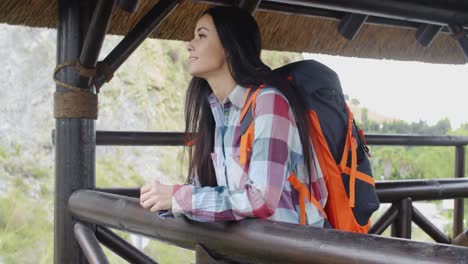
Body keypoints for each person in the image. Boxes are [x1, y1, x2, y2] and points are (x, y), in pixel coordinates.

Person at [139, 6, 328, 226]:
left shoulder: (269, 102)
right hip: (251, 250)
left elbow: (262, 200)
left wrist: (178, 198)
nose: (190, 44)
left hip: (292, 251)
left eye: (201, 35)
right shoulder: (220, 112)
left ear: (230, 46)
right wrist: (167, 201)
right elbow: (215, 195)